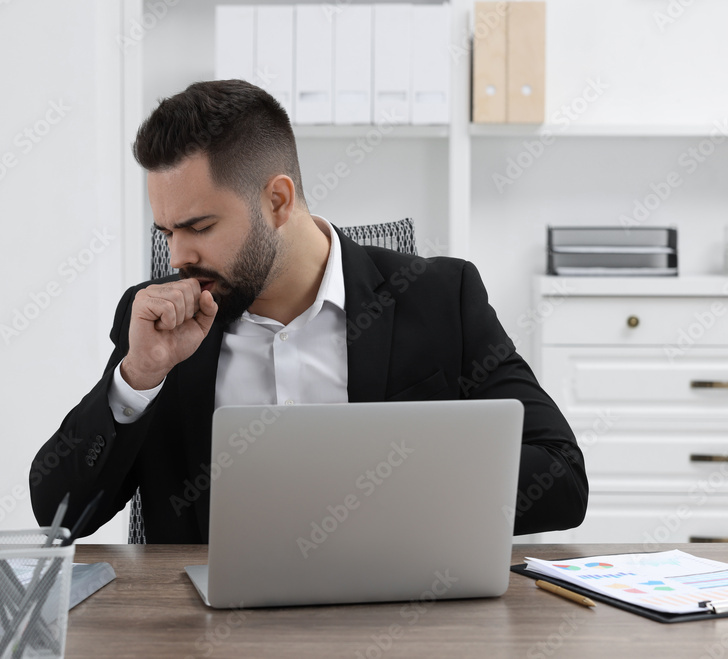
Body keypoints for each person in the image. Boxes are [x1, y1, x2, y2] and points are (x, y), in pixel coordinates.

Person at [30, 79, 587, 542]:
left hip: (396, 619)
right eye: (166, 232)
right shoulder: (157, 325)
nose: (178, 256)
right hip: (208, 633)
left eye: (198, 227)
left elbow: (561, 478)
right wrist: (138, 377)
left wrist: (386, 486)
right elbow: (59, 514)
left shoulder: (440, 295)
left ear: (278, 200)